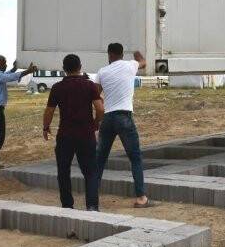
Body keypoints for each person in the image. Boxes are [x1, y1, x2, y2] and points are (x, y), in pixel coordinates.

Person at [94, 43, 156, 208]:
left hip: (107, 118)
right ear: (122, 54)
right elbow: (143, 62)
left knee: (99, 159)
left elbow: (95, 96)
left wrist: (96, 121)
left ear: (109, 54)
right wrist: (138, 55)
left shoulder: (102, 72)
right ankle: (141, 198)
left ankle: (92, 196)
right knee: (135, 158)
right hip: (124, 117)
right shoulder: (130, 65)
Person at [43, 54, 104, 211]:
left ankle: (67, 205)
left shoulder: (57, 87)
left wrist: (46, 127)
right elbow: (100, 108)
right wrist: (95, 124)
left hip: (65, 136)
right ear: (80, 66)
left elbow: (49, 110)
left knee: (63, 171)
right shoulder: (89, 85)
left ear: (64, 69)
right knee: (90, 172)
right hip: (86, 135)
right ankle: (92, 206)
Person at [0, 56, 33, 170]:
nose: (5, 65)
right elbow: (8, 77)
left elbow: (7, 75)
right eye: (4, 63)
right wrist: (27, 71)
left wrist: (14, 69)